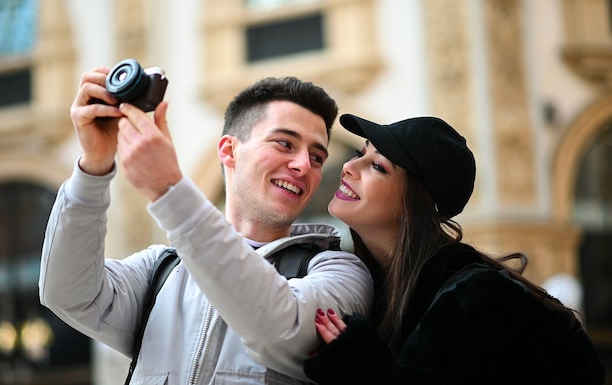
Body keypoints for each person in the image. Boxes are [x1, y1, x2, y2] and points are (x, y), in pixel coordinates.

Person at [38, 67, 373, 384]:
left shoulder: (341, 272)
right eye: (284, 143)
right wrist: (93, 167)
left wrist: (169, 190)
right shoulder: (161, 271)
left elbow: (281, 331)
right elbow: (67, 294)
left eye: (317, 157)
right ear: (229, 151)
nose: (303, 165)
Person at [303, 114, 605, 384]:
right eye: (360, 153)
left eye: (378, 166)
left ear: (414, 204)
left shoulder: (482, 299)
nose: (348, 167)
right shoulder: (374, 288)